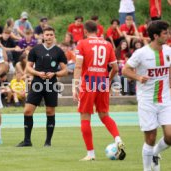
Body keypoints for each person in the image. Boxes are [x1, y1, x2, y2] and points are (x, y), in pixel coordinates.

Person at [73, 20, 126, 161]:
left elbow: (78, 66)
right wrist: (107, 80)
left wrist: (75, 85)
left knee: (85, 117)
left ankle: (90, 154)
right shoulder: (107, 44)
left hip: (88, 83)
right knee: (104, 115)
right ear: (97, 30)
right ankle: (117, 138)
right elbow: (115, 68)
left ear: (85, 31)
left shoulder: (82, 43)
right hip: (102, 82)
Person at [122, 20, 171, 171]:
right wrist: (138, 77)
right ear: (156, 36)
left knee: (170, 136)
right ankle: (147, 169)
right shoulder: (141, 53)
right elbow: (125, 70)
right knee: (150, 137)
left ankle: (155, 153)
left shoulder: (168, 51)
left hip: (165, 99)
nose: (168, 35)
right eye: (165, 33)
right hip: (147, 100)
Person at [16, 26, 68, 147]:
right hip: (37, 83)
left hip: (51, 84)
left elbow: (65, 71)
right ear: (43, 36)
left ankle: (48, 142)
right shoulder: (36, 50)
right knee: (27, 111)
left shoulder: (59, 51)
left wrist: (54, 73)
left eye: (51, 35)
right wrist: (37, 73)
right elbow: (28, 67)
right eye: (47, 35)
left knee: (50, 111)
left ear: (54, 36)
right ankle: (27, 140)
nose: (49, 37)